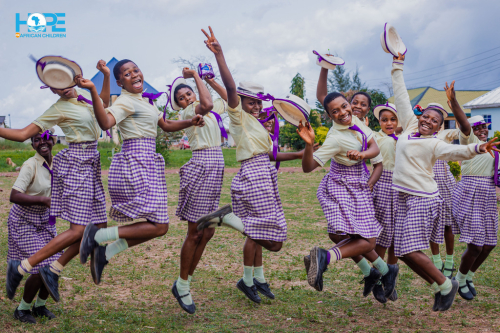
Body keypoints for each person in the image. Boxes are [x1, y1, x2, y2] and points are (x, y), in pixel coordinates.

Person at [75, 59, 205, 286]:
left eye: (136, 70)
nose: (134, 74)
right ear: (119, 82)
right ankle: (96, 237)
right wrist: (94, 90)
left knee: (158, 227)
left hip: (149, 162)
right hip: (136, 161)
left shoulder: (145, 101)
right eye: (127, 73)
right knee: (160, 226)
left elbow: (164, 125)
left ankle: (104, 253)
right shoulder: (125, 102)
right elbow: (105, 122)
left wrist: (189, 122)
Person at [196, 27, 299, 304]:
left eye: (258, 102)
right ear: (242, 101)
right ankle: (224, 219)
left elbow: (269, 155)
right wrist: (220, 56)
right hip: (252, 175)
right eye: (251, 101)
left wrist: (301, 154)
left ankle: (255, 279)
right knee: (271, 239)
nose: (255, 106)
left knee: (260, 230)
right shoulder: (238, 116)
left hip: (264, 174)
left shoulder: (256, 122)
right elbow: (231, 90)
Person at [389, 53, 499, 311]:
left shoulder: (436, 143)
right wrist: (397, 64)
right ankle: (441, 287)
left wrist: (478, 148)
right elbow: (401, 94)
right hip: (401, 196)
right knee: (403, 252)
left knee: (409, 249)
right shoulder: (407, 128)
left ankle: (447, 284)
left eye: (434, 120)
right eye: (426, 116)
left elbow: (457, 152)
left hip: (423, 198)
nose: (428, 121)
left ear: (439, 127)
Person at [5, 59, 111, 302]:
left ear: (75, 78)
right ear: (50, 89)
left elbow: (103, 104)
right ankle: (24, 267)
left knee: (99, 227)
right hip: (76, 163)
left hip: (91, 162)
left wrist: (104, 75)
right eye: (55, 85)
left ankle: (55, 269)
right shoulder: (58, 108)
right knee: (79, 230)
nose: (62, 87)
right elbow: (22, 134)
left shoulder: (84, 99)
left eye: (64, 80)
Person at [308, 65, 398, 301]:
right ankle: (327, 259)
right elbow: (308, 167)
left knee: (346, 237)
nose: (347, 110)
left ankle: (378, 273)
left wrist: (366, 170)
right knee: (361, 240)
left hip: (361, 185)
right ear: (330, 115)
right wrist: (325, 68)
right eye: (336, 110)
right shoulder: (337, 136)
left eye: (349, 106)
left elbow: (375, 153)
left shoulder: (360, 124)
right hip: (342, 185)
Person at [172, 68, 227, 314]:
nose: (186, 99)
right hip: (201, 166)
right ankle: (182, 285)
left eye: (188, 94)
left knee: (208, 234)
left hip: (215, 167)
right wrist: (195, 75)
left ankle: (185, 282)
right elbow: (205, 102)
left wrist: (210, 80)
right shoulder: (188, 111)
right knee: (195, 232)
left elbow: (229, 99)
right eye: (181, 98)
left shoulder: (213, 110)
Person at [445, 80, 499, 300]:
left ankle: (466, 276)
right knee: (476, 245)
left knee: (489, 245)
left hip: (486, 195)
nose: (481, 130)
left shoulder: (494, 148)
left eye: (483, 127)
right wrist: (454, 101)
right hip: (469, 193)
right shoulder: (470, 140)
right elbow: (464, 124)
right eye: (477, 128)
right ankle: (459, 278)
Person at [7, 130, 60, 323]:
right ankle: (22, 310)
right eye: (36, 140)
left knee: (55, 265)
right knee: (41, 266)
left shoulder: (57, 163)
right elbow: (13, 196)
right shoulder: (30, 165)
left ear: (52, 140)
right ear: (32, 145)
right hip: (24, 221)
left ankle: (39, 306)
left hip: (45, 220)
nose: (42, 143)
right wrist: (44, 200)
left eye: (45, 138)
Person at [371, 102, 400, 302]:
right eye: (384, 119)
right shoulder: (376, 137)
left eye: (393, 119)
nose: (388, 123)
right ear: (379, 122)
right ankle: (377, 279)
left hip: (402, 187)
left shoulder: (406, 138)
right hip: (382, 184)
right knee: (382, 235)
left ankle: (391, 280)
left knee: (397, 238)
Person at [429, 124, 460, 278]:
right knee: (432, 224)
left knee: (448, 224)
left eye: (436, 120)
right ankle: (436, 261)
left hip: (446, 184)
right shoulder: (418, 136)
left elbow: (462, 131)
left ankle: (449, 260)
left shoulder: (445, 134)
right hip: (427, 184)